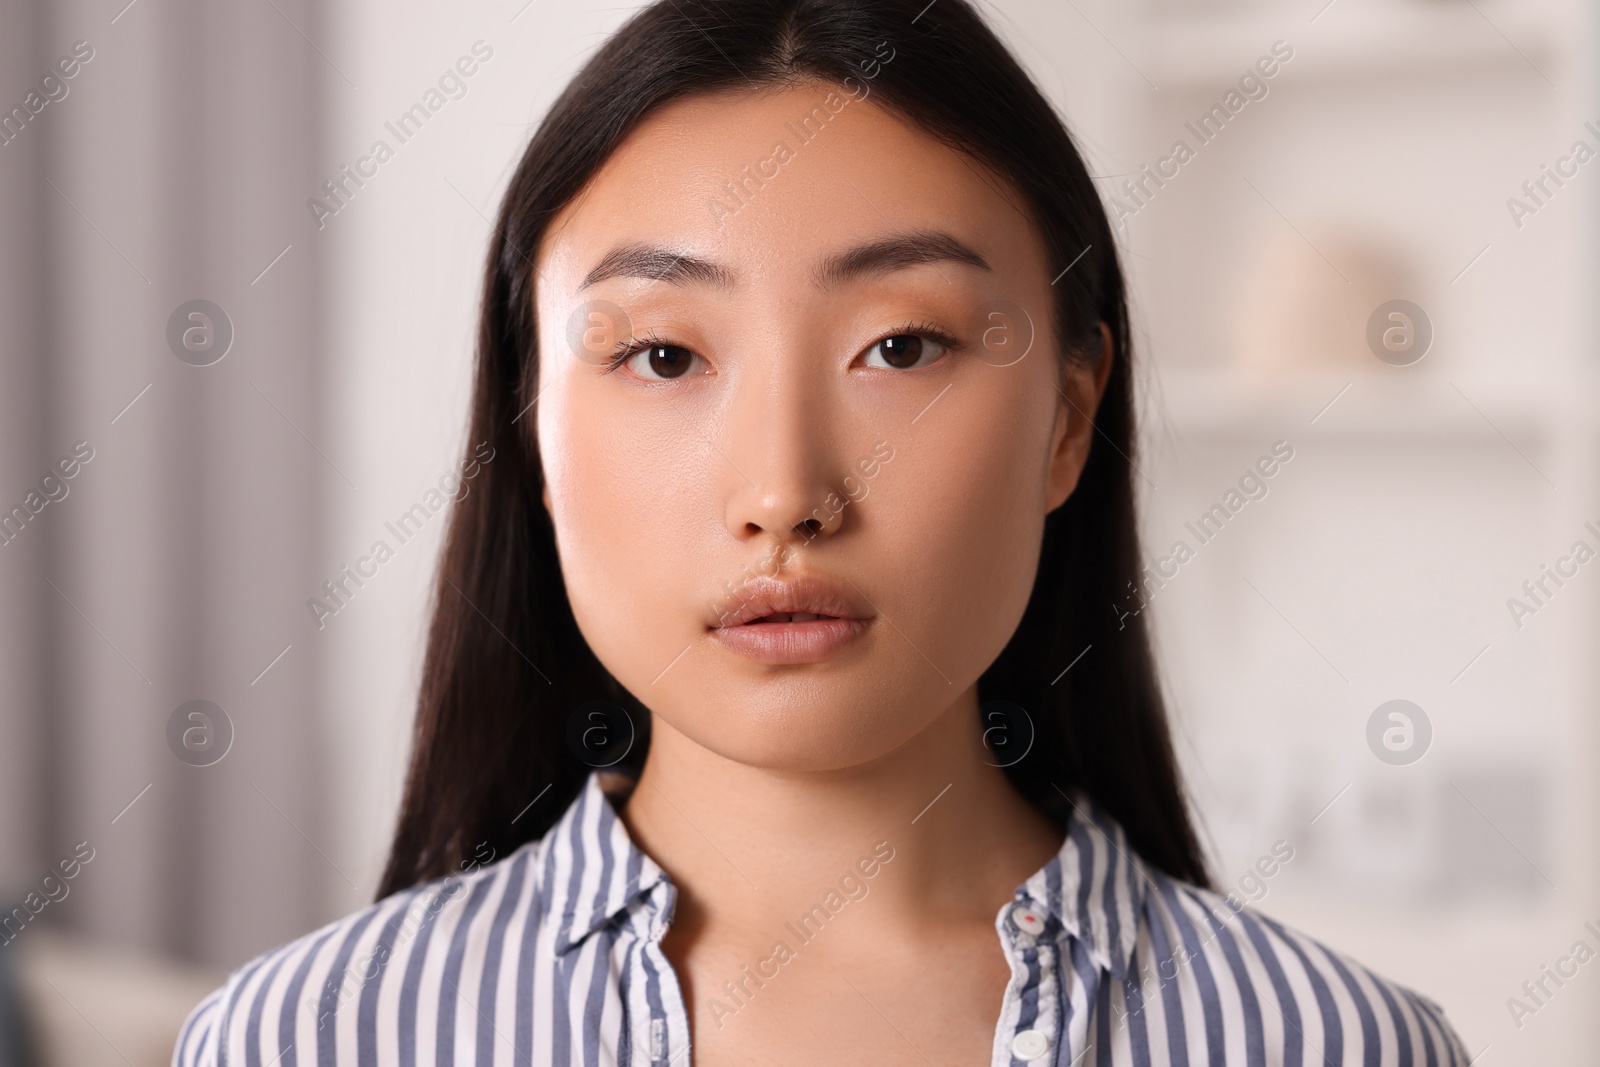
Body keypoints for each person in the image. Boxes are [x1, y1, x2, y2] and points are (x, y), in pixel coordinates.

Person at [173, 0, 1471, 1063]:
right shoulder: (311, 1039)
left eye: (901, 346)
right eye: (666, 354)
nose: (785, 492)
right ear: (530, 434)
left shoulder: (1334, 1045)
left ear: (1069, 419)